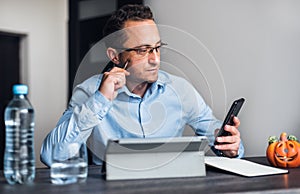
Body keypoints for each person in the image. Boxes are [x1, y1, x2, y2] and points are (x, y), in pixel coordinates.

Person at [40, 4, 244, 167]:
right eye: (142, 50)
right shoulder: (89, 92)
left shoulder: (181, 90)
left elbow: (220, 139)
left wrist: (230, 146)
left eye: (157, 48)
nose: (155, 59)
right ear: (115, 56)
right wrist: (99, 101)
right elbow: (51, 156)